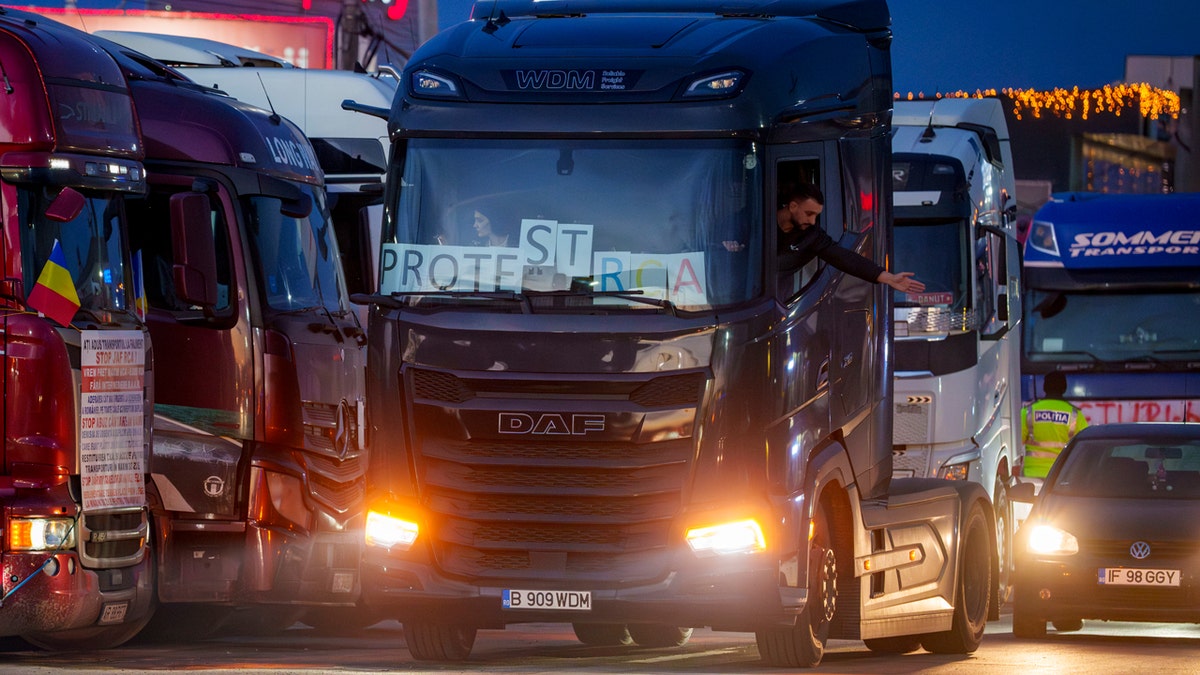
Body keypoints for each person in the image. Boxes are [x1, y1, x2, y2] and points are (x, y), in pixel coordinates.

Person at [776, 183, 926, 294]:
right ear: (793, 206)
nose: (813, 221)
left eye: (817, 216)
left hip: (774, 294)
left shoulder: (812, 235)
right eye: (809, 214)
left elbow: (845, 258)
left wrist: (888, 277)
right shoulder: (759, 219)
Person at [1020, 372, 1089, 478]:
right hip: (1062, 476)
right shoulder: (1075, 414)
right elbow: (1085, 446)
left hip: (1032, 474)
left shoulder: (1029, 411)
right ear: (1064, 389)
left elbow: (1017, 440)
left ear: (1044, 388)